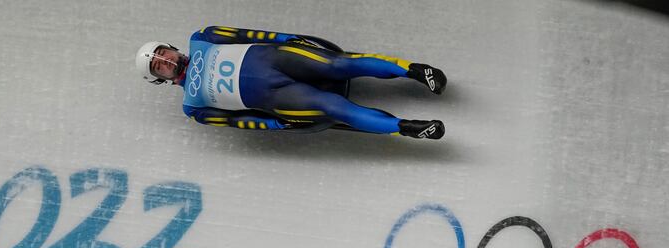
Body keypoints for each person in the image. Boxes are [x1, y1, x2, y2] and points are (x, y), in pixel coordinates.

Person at [136, 26, 447, 139]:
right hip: (278, 96)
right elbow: (237, 121)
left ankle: (415, 71)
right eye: (158, 66)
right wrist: (276, 125)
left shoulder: (203, 37)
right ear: (160, 79)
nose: (165, 61)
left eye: (162, 54)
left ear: (171, 48)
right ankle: (409, 128)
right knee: (333, 107)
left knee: (340, 65)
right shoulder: (193, 107)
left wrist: (288, 39)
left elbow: (248, 34)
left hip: (278, 58)